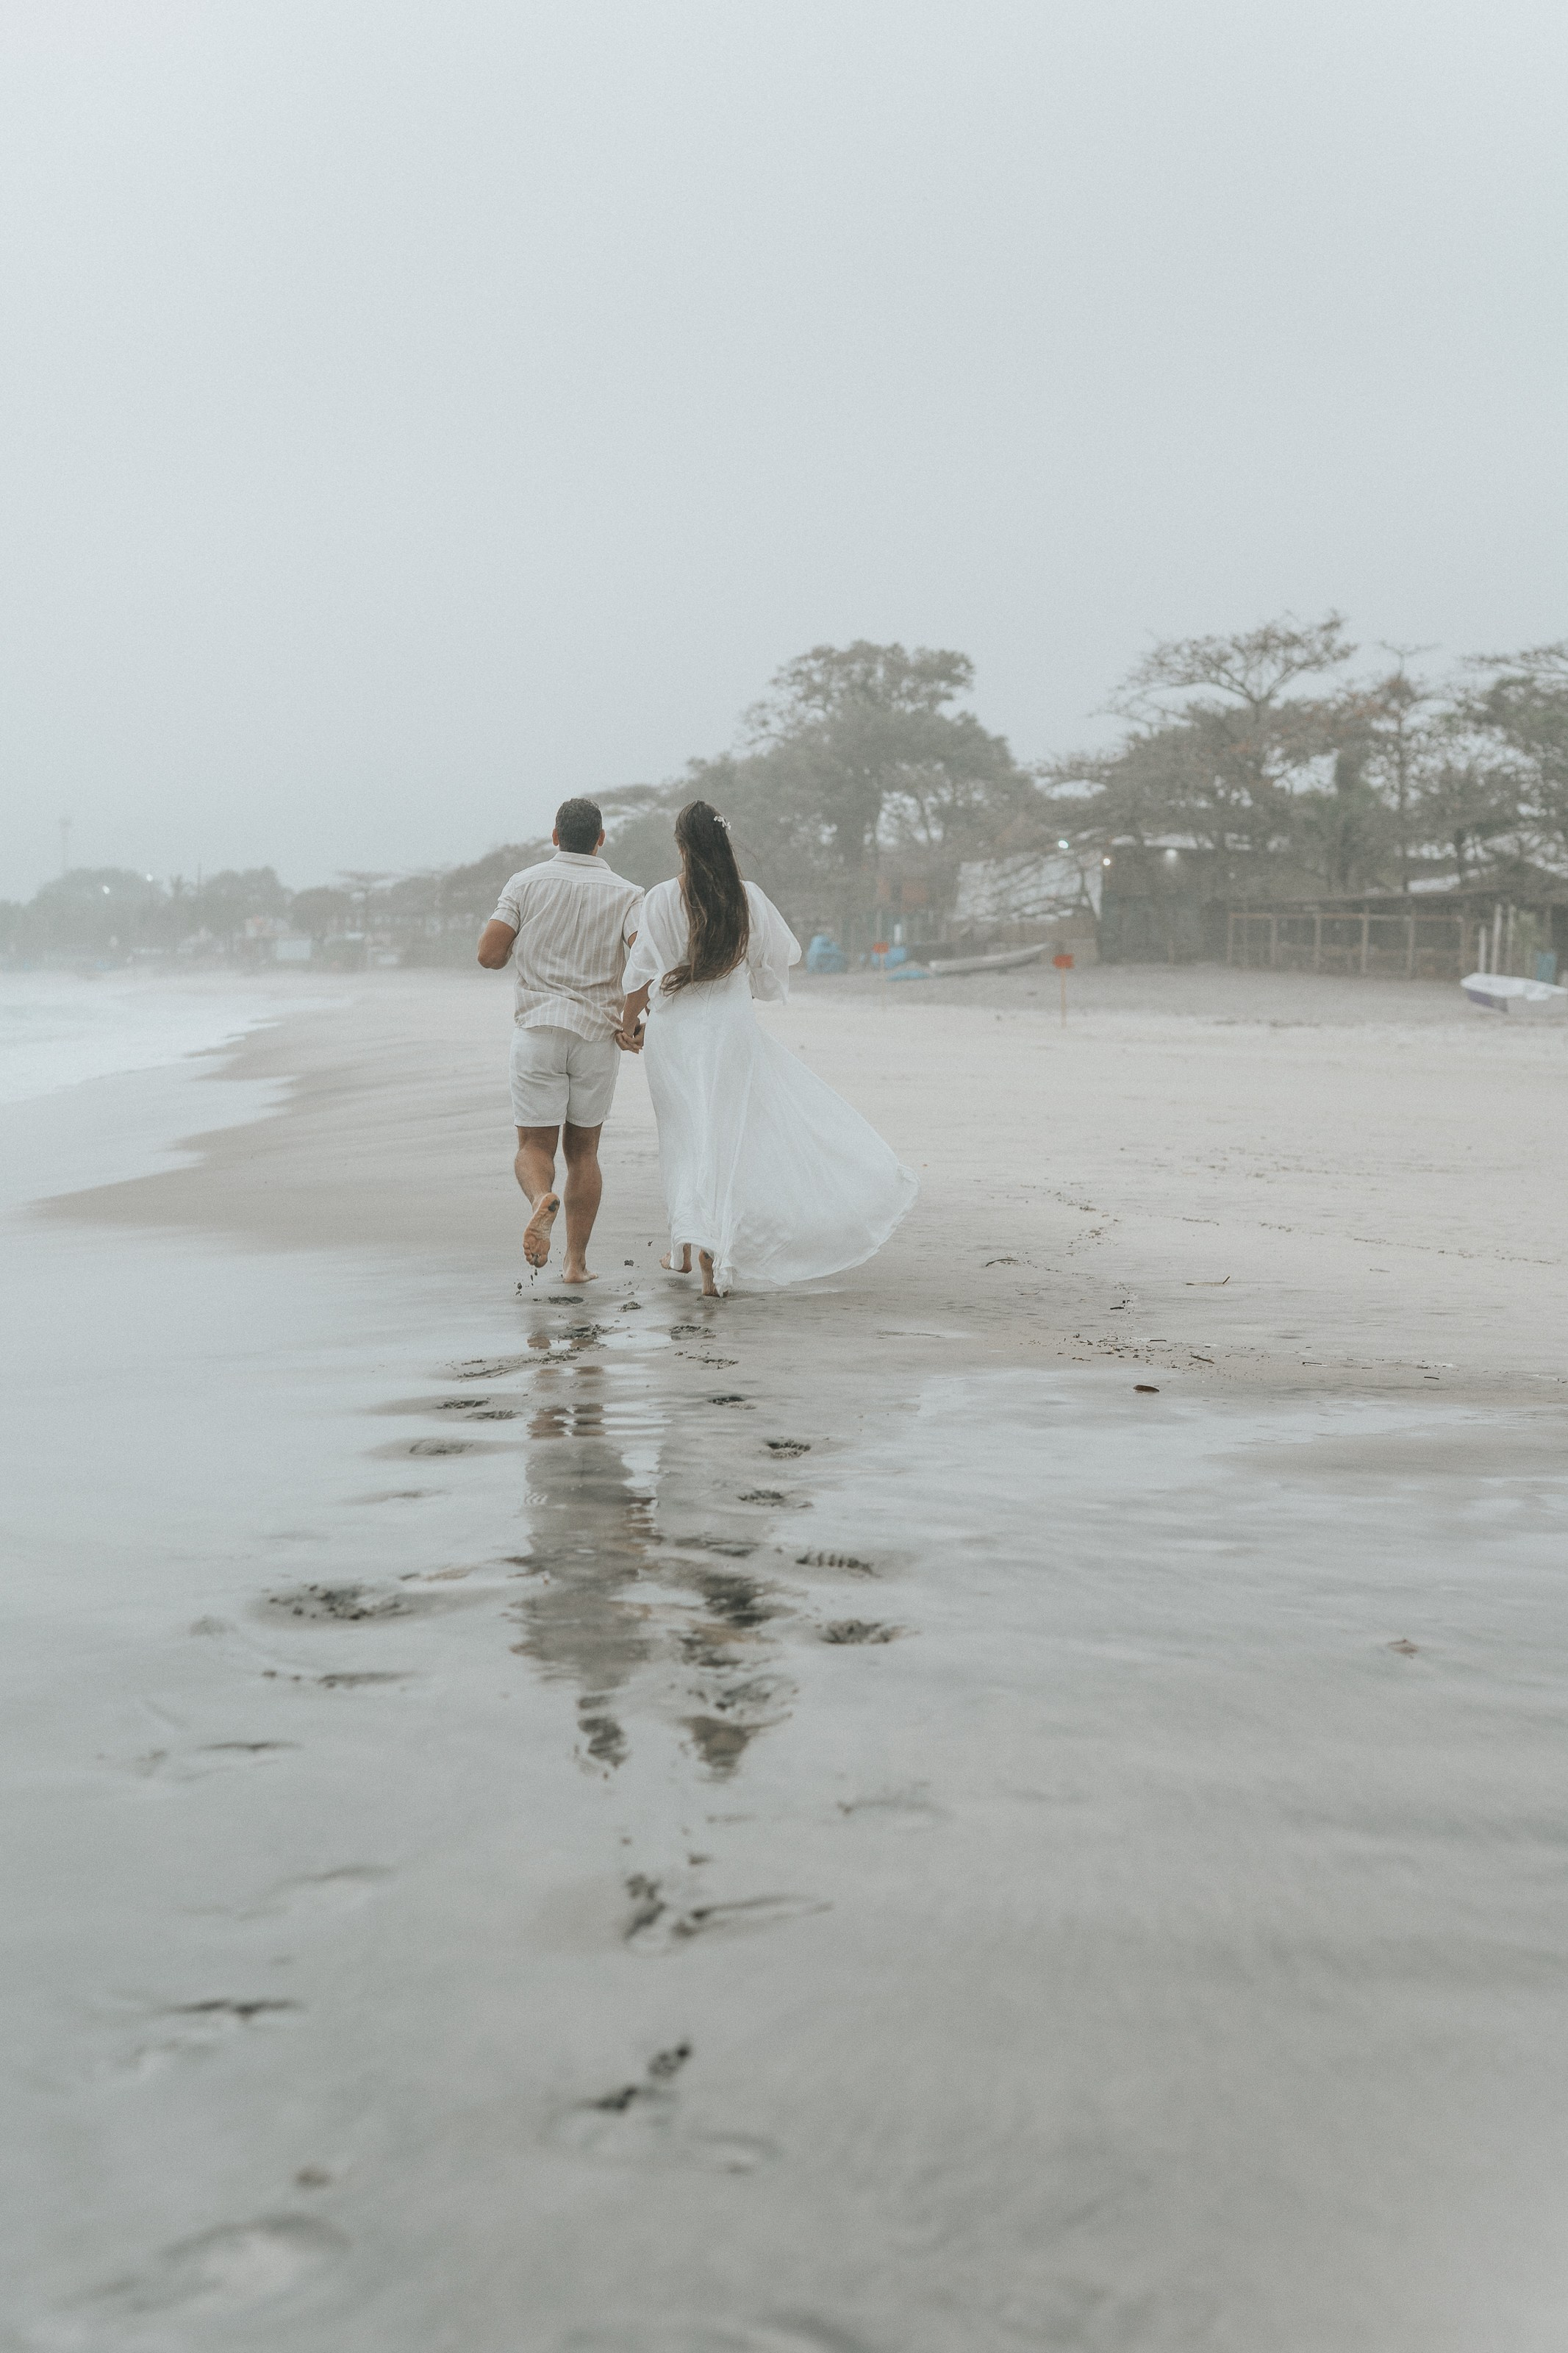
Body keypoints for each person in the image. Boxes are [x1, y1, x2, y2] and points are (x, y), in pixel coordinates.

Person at [615, 800, 916, 1296]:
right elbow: (776, 958)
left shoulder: (660, 898)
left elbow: (640, 972)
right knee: (726, 1137)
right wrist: (742, 984)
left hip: (673, 1034)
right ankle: (711, 1256)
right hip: (729, 1029)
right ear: (723, 841)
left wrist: (629, 1024)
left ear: (681, 844)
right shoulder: (746, 897)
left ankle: (687, 1244)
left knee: (687, 1138)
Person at [476, 797, 642, 1284]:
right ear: (601, 838)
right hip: (597, 1035)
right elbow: (646, 959)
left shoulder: (525, 883)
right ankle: (575, 1265)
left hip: (539, 1030)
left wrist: (523, 949)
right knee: (584, 1151)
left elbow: (488, 954)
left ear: (554, 837)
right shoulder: (628, 893)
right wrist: (634, 1020)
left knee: (534, 1143)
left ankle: (538, 1200)